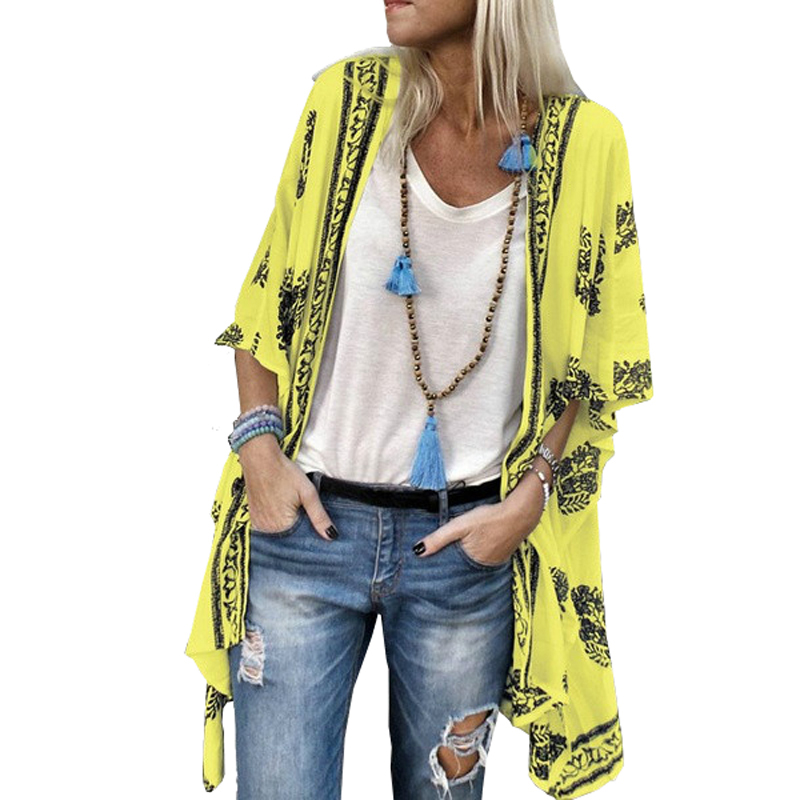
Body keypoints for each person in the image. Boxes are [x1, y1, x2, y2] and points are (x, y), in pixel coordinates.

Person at [185, 2, 654, 799]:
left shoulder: (585, 144)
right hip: (306, 536)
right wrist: (259, 452)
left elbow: (593, 355)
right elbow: (267, 296)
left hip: (464, 552)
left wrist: (529, 498)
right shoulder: (345, 102)